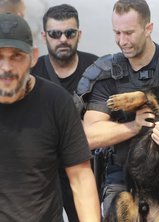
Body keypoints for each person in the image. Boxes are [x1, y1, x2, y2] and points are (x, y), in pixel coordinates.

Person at [79, 0, 159, 220]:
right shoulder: (108, 72)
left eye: (129, 33)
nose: (122, 41)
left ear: (148, 28)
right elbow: (89, 136)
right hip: (122, 179)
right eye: (117, 33)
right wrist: (133, 126)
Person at [0, 13, 100, 221]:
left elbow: (81, 178)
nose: (6, 67)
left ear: (33, 57)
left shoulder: (56, 102)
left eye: (16, 55)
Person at [29, 4, 98, 222]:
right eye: (55, 34)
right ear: (44, 36)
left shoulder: (96, 68)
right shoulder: (31, 73)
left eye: (69, 33)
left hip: (82, 164)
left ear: (79, 34)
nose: (62, 39)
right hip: (43, 171)